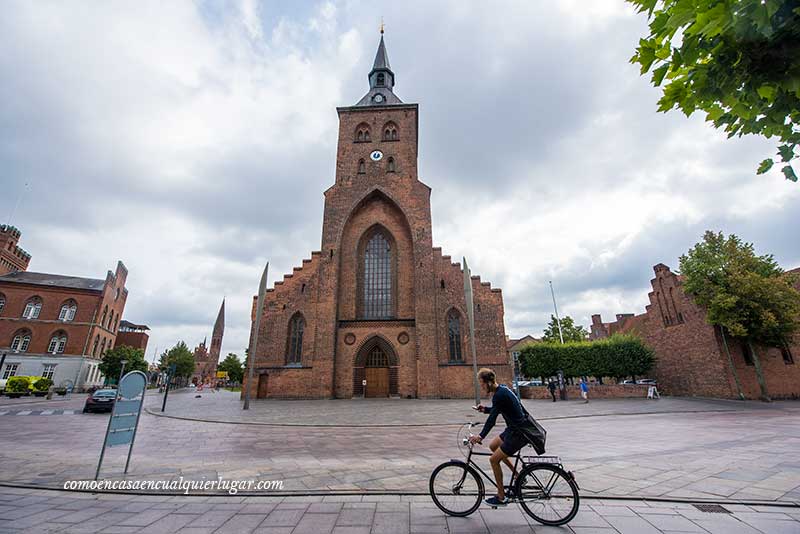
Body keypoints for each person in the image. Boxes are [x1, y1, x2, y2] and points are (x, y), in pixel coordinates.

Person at [468, 368, 530, 507]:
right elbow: (498, 409)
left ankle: (501, 496)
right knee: (493, 446)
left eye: (482, 384)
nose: (482, 387)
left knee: (494, 460)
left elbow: (492, 421)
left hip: (518, 434)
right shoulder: (501, 389)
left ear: (489, 382)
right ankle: (517, 474)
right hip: (513, 429)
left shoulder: (499, 395)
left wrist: (480, 436)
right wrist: (485, 409)